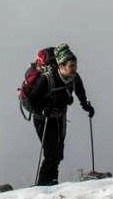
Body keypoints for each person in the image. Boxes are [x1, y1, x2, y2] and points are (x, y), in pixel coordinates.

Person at [28, 43, 94, 186]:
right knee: (51, 152)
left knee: (58, 153)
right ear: (61, 66)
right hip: (43, 120)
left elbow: (80, 93)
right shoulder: (46, 79)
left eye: (75, 65)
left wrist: (86, 106)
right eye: (71, 66)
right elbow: (32, 100)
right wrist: (43, 110)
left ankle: (52, 181)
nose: (74, 69)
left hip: (60, 117)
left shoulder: (74, 77)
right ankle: (43, 185)